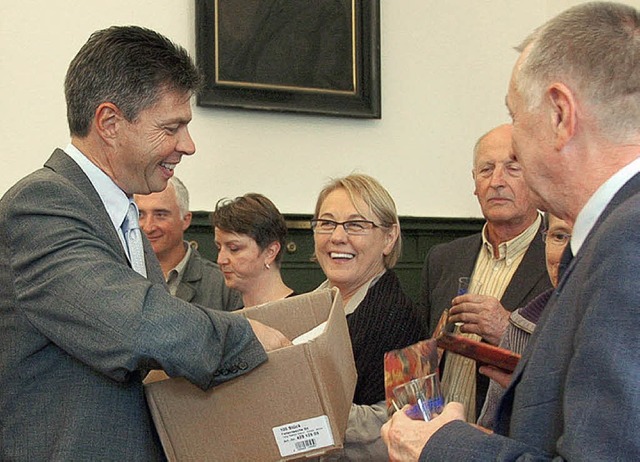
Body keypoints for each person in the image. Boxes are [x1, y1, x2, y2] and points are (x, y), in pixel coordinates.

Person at [0, 26, 289, 461]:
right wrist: (247, 337)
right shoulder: (42, 204)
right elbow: (136, 325)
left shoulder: (120, 209)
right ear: (110, 123)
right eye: (172, 128)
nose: (187, 146)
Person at [383, 3, 640, 460]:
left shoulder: (627, 242)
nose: (513, 144)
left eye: (517, 118)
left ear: (560, 114)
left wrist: (442, 446)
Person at [419, 123, 552, 422]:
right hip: (436, 434)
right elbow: (422, 354)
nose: (497, 181)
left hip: (508, 436)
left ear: (537, 177)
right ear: (474, 183)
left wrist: (509, 332)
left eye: (513, 168)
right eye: (486, 170)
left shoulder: (559, 259)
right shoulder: (442, 259)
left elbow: (570, 366)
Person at [311, 173, 425, 460]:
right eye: (326, 223)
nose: (337, 237)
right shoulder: (313, 305)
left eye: (356, 225)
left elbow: (410, 424)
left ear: (388, 238)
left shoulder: (399, 319)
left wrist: (304, 411)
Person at [476, 213, 572, 429]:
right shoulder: (520, 326)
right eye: (559, 236)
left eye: (585, 237)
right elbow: (491, 427)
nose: (568, 254)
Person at [135, 176, 242, 311]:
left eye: (160, 215)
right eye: (140, 215)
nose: (149, 227)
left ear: (186, 220)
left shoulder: (224, 285)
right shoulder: (120, 275)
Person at [212, 193, 295, 308]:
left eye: (234, 249)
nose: (220, 260)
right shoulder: (230, 320)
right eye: (219, 248)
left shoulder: (304, 314)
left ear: (270, 252)